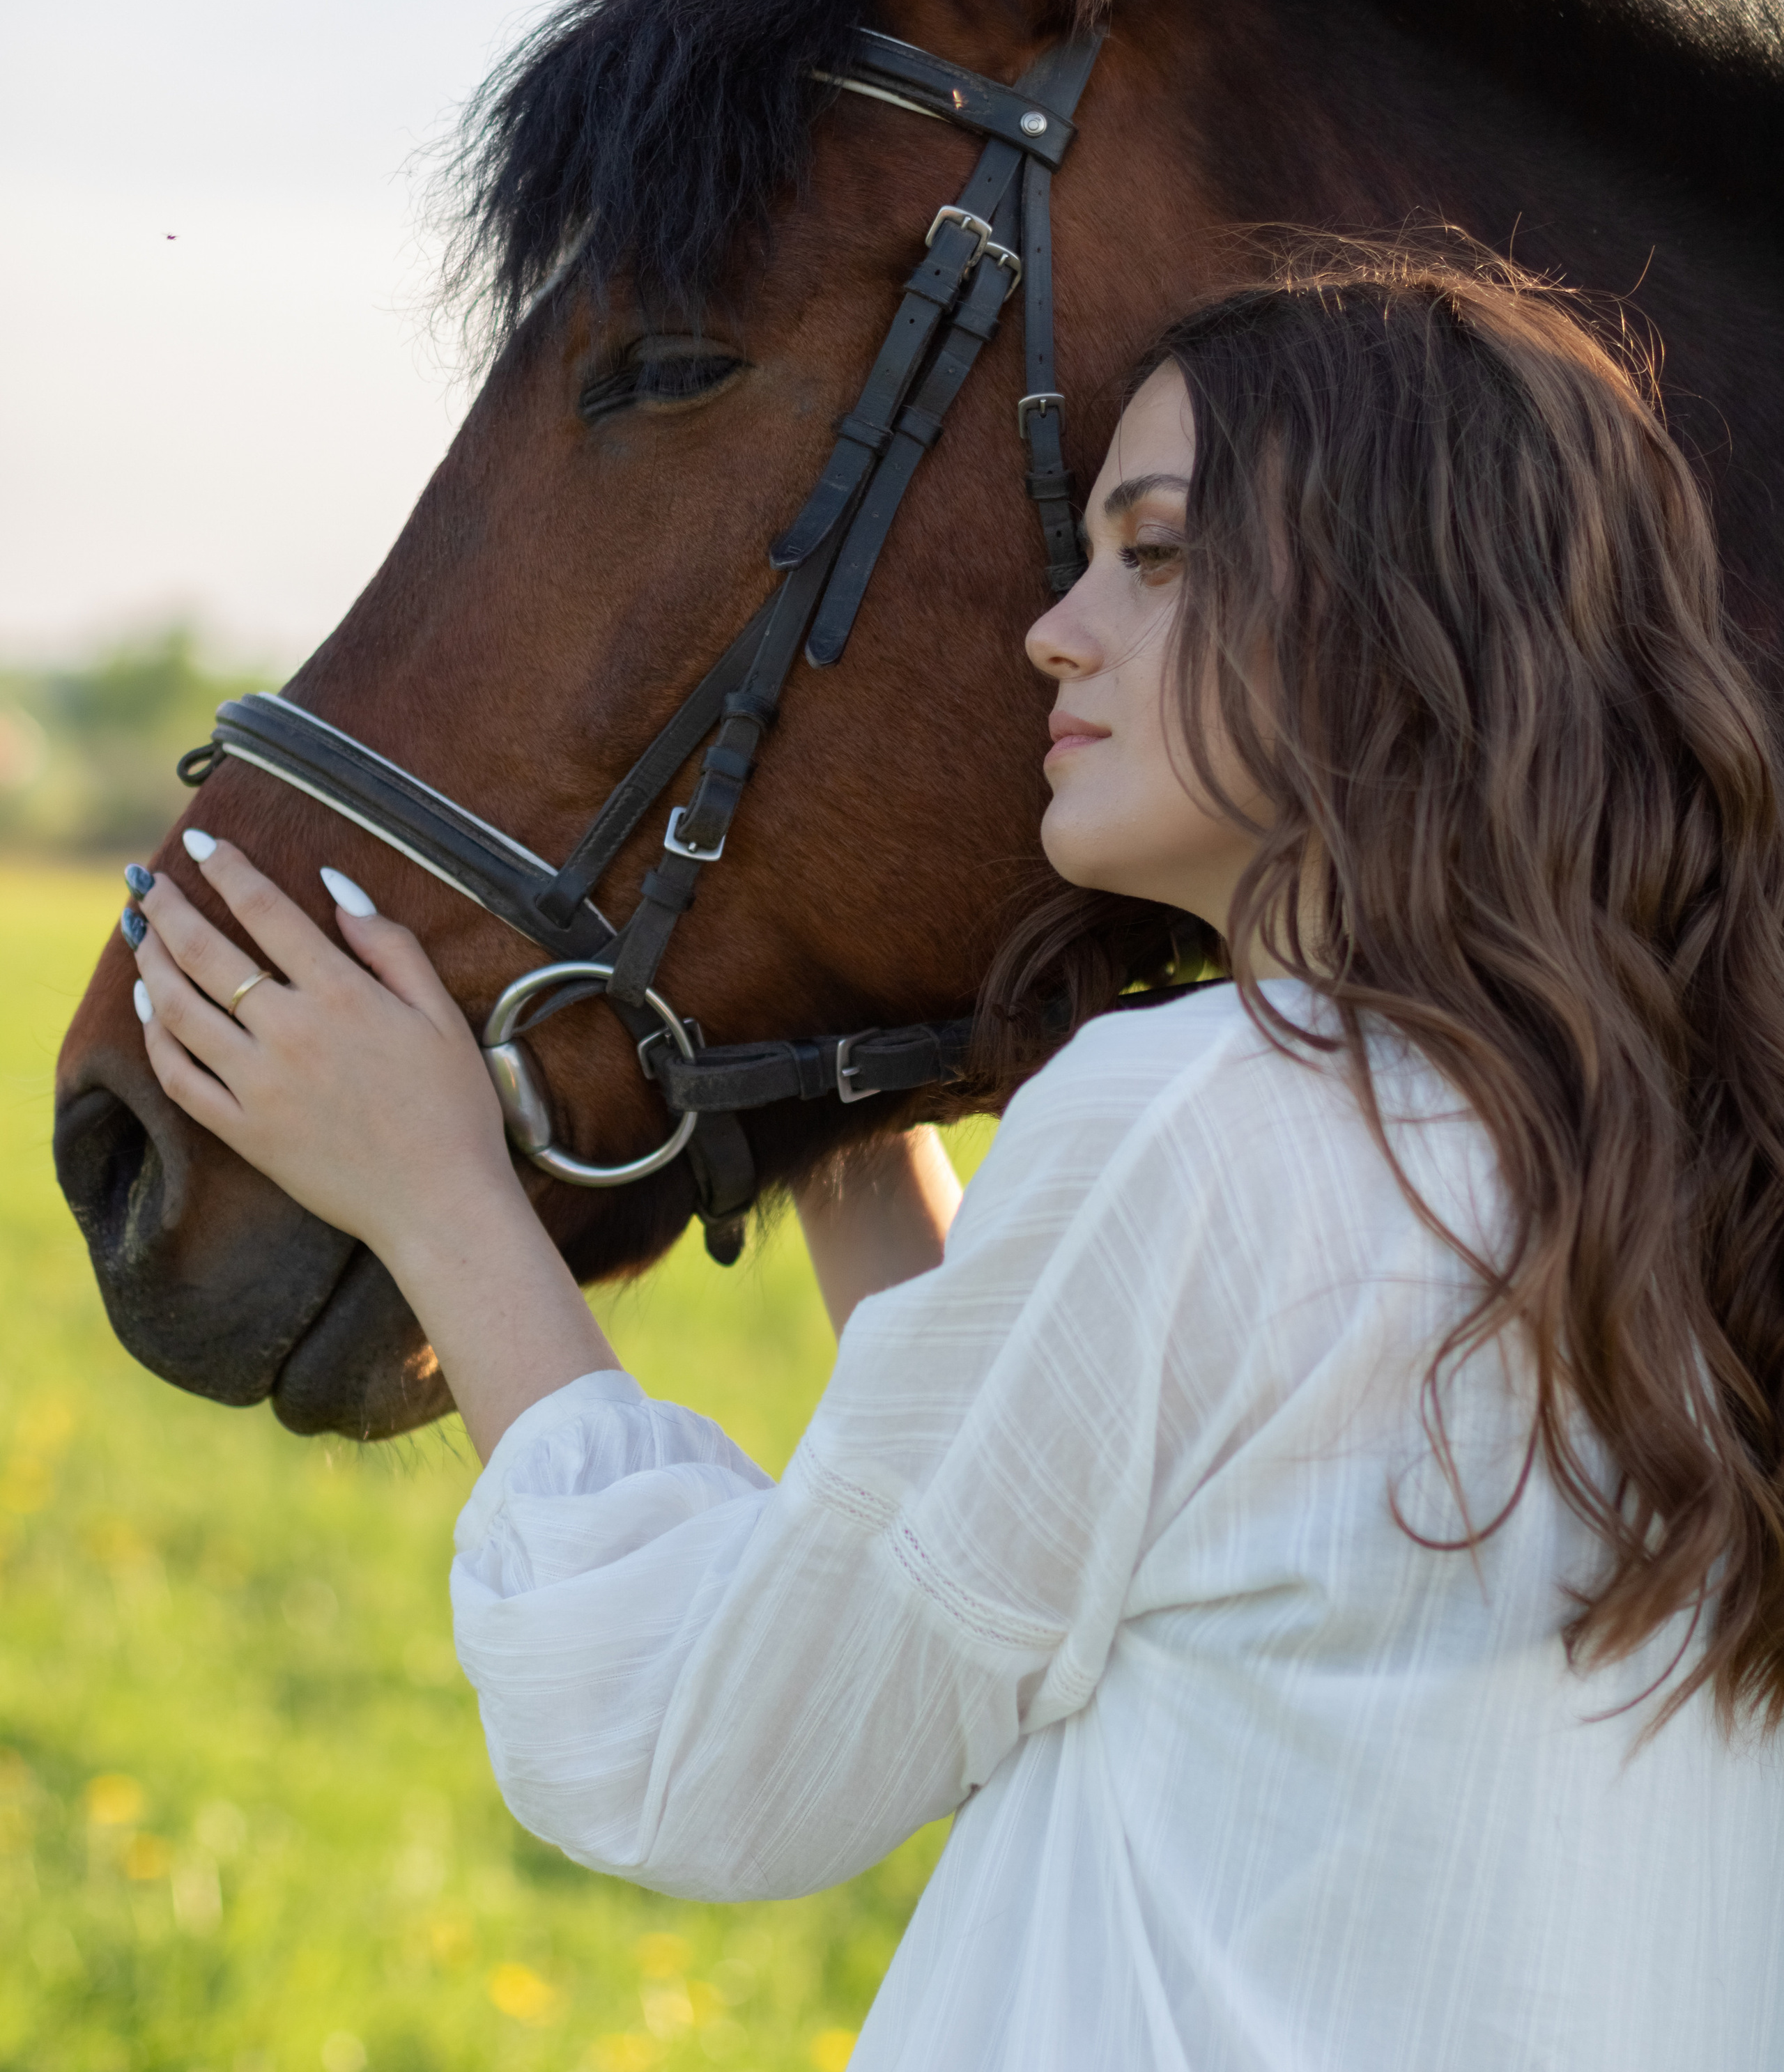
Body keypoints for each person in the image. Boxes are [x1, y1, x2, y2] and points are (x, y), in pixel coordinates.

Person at [121, 256, 1784, 2069]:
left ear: (1403, 619)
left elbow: (728, 1755)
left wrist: (436, 1194)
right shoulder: (1670, 1161)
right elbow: (1075, 1545)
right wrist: (855, 1162)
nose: (1055, 633)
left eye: (1152, 557)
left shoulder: (1202, 1112)